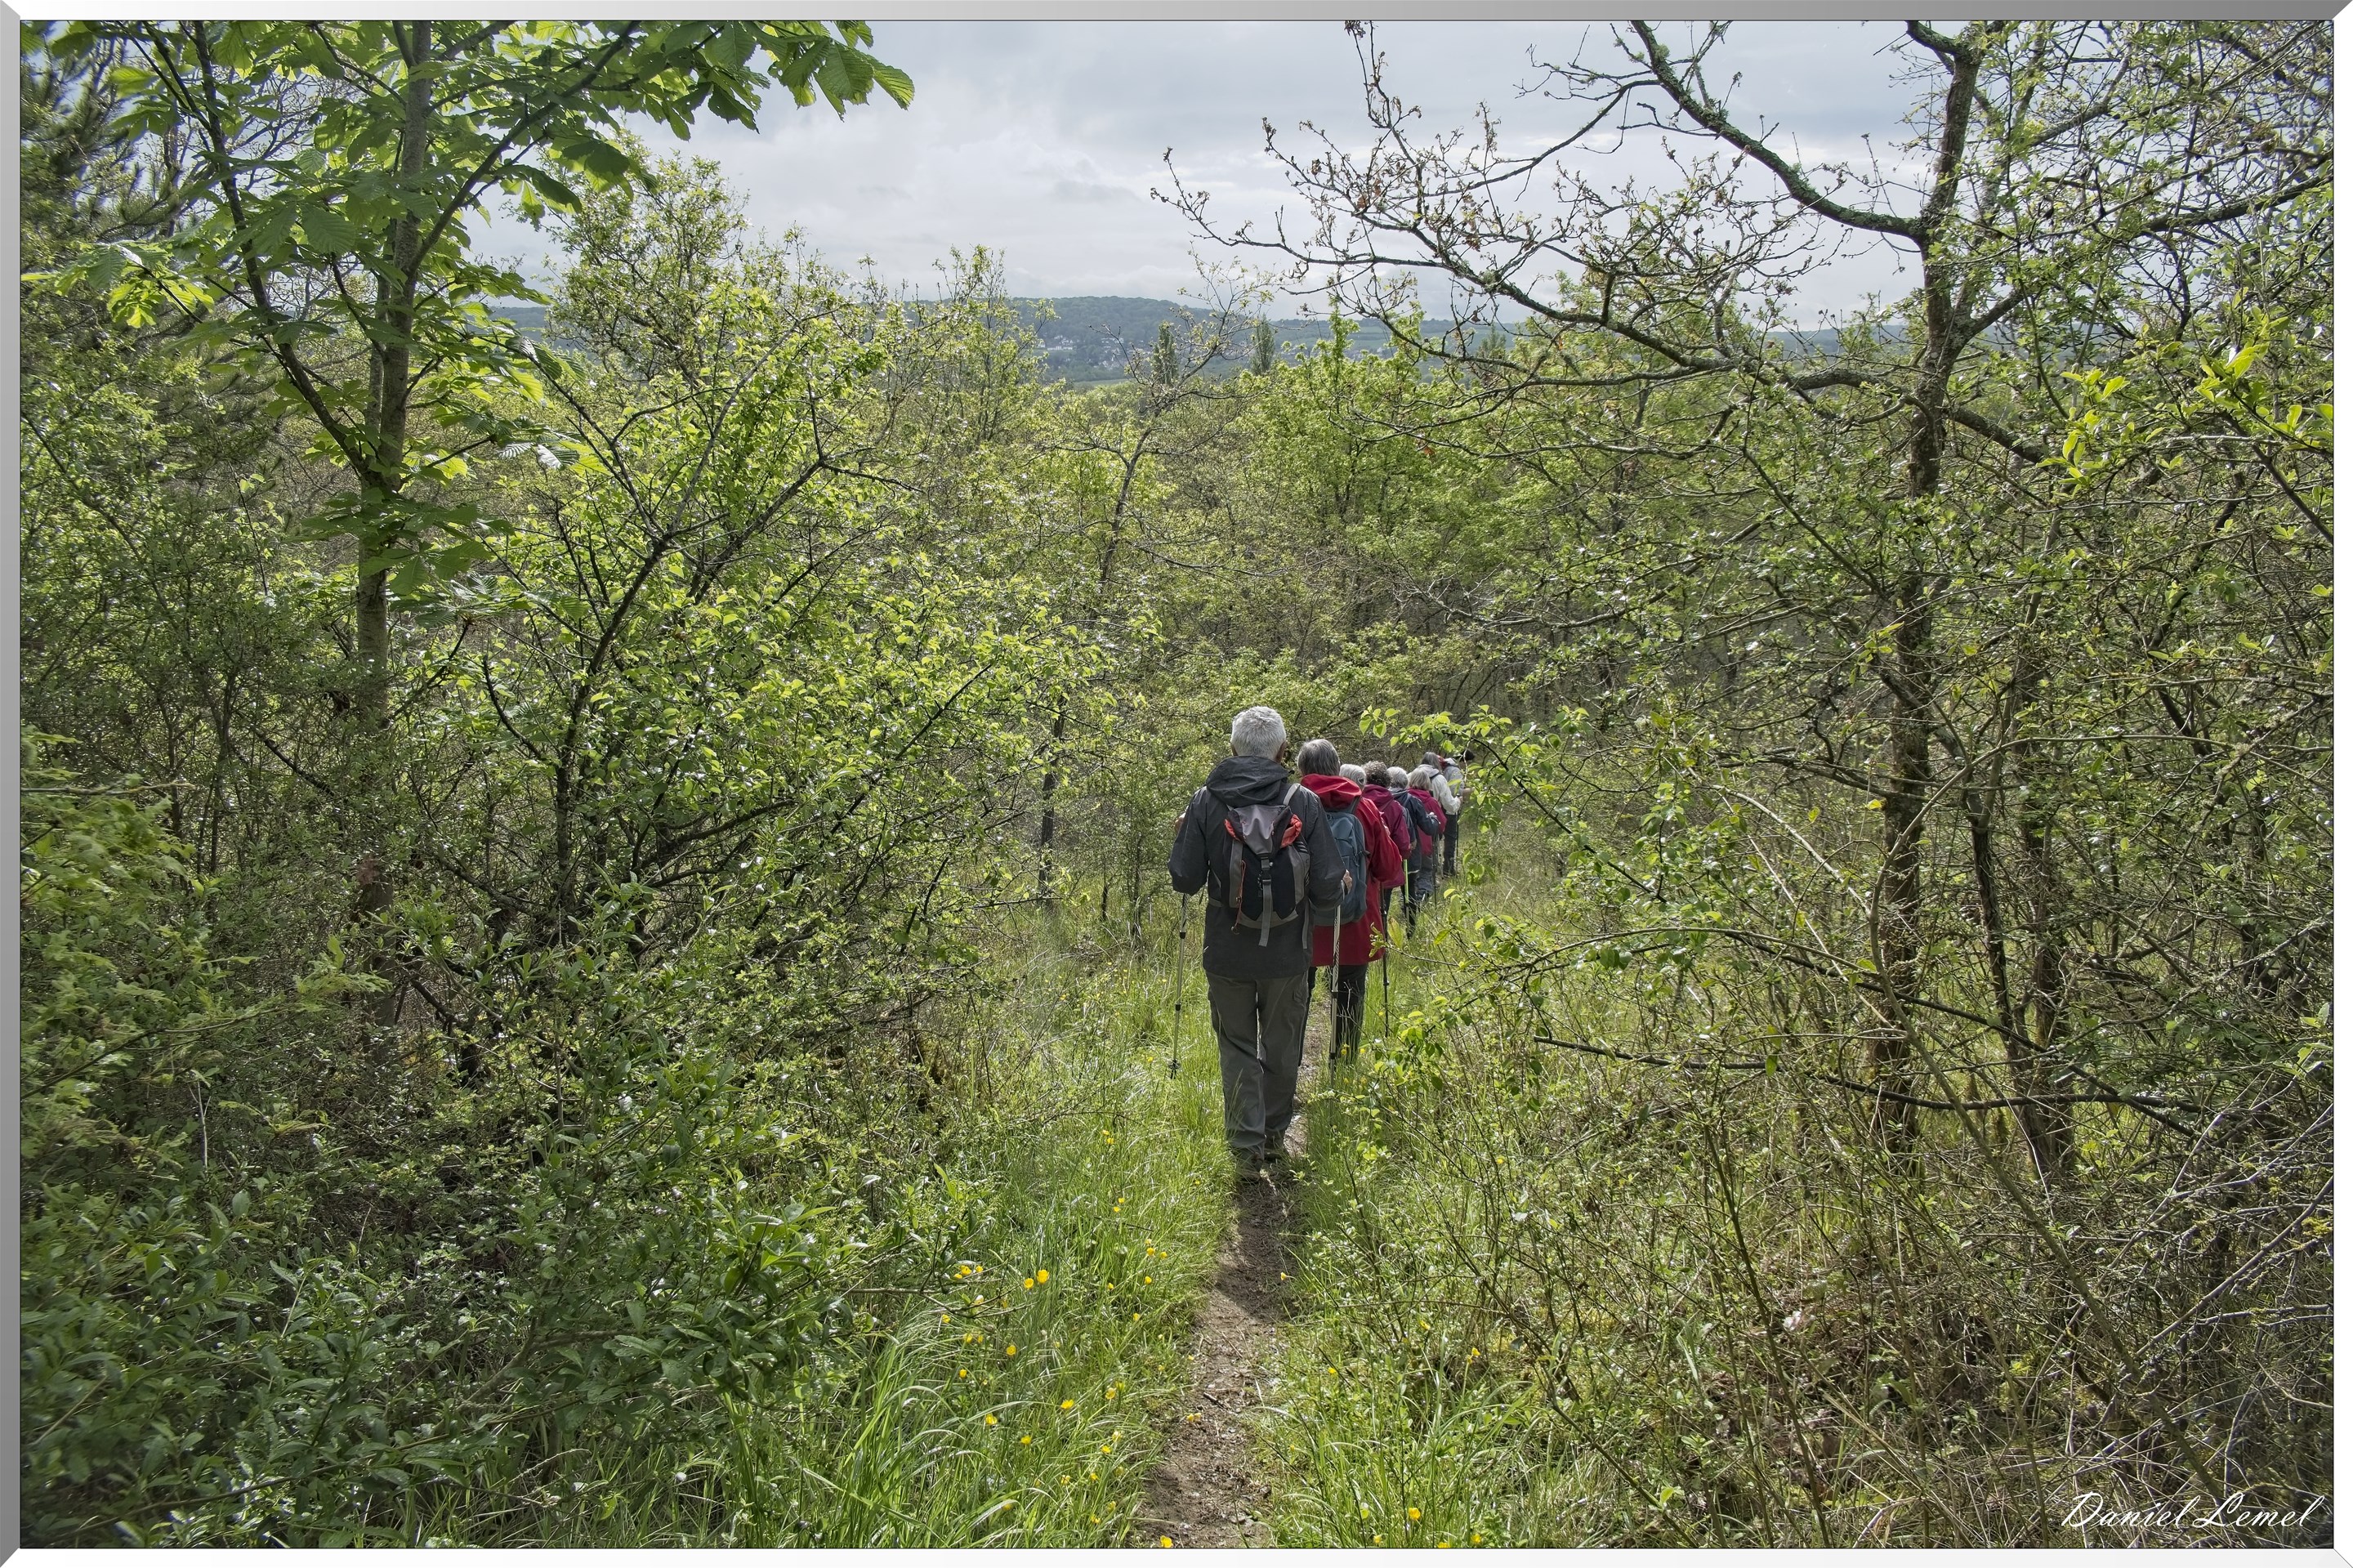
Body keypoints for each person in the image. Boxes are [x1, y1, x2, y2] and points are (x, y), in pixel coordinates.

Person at [1168, 705, 1342, 1177]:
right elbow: (1327, 883)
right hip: (1288, 954)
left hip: (1227, 952)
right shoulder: (1301, 801)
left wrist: (1184, 836)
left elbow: (1184, 879)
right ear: (1284, 751)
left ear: (1232, 748)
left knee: (1238, 1046)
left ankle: (1245, 1150)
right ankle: (1272, 1136)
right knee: (1284, 1047)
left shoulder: (1207, 800)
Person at [1297, 742, 1403, 1061]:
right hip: (1354, 922)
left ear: (1302, 770)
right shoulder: (1364, 807)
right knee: (1350, 996)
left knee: (1296, 997)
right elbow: (1388, 867)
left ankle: (1290, 1069)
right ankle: (1342, 1065)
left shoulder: (1290, 805)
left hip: (1302, 924)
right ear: (1337, 767)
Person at [1357, 760, 1413, 934]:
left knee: (1363, 911)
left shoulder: (1358, 803)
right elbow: (1403, 845)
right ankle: (1382, 944)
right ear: (1387, 782)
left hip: (1361, 868)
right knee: (1383, 909)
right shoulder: (1395, 807)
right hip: (1385, 868)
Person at [1387, 765, 1440, 935]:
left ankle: (1383, 937)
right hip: (1409, 854)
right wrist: (1433, 819)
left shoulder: (1383, 799)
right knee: (1409, 894)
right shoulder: (1412, 801)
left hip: (1387, 854)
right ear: (1405, 783)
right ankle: (1411, 931)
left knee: (1385, 896)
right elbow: (1428, 828)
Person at [1406, 766, 1449, 909]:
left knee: (1410, 877)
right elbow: (1441, 823)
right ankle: (1422, 897)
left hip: (1409, 845)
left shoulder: (1404, 799)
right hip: (1427, 846)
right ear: (1427, 783)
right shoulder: (1431, 802)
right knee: (1426, 872)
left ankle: (1408, 902)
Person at [1421, 752, 1462, 880]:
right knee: (1435, 845)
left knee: (1420, 847)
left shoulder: (1412, 775)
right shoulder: (1439, 778)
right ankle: (1435, 876)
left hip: (1414, 817)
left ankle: (1420, 879)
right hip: (1434, 817)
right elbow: (1449, 804)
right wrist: (1458, 801)